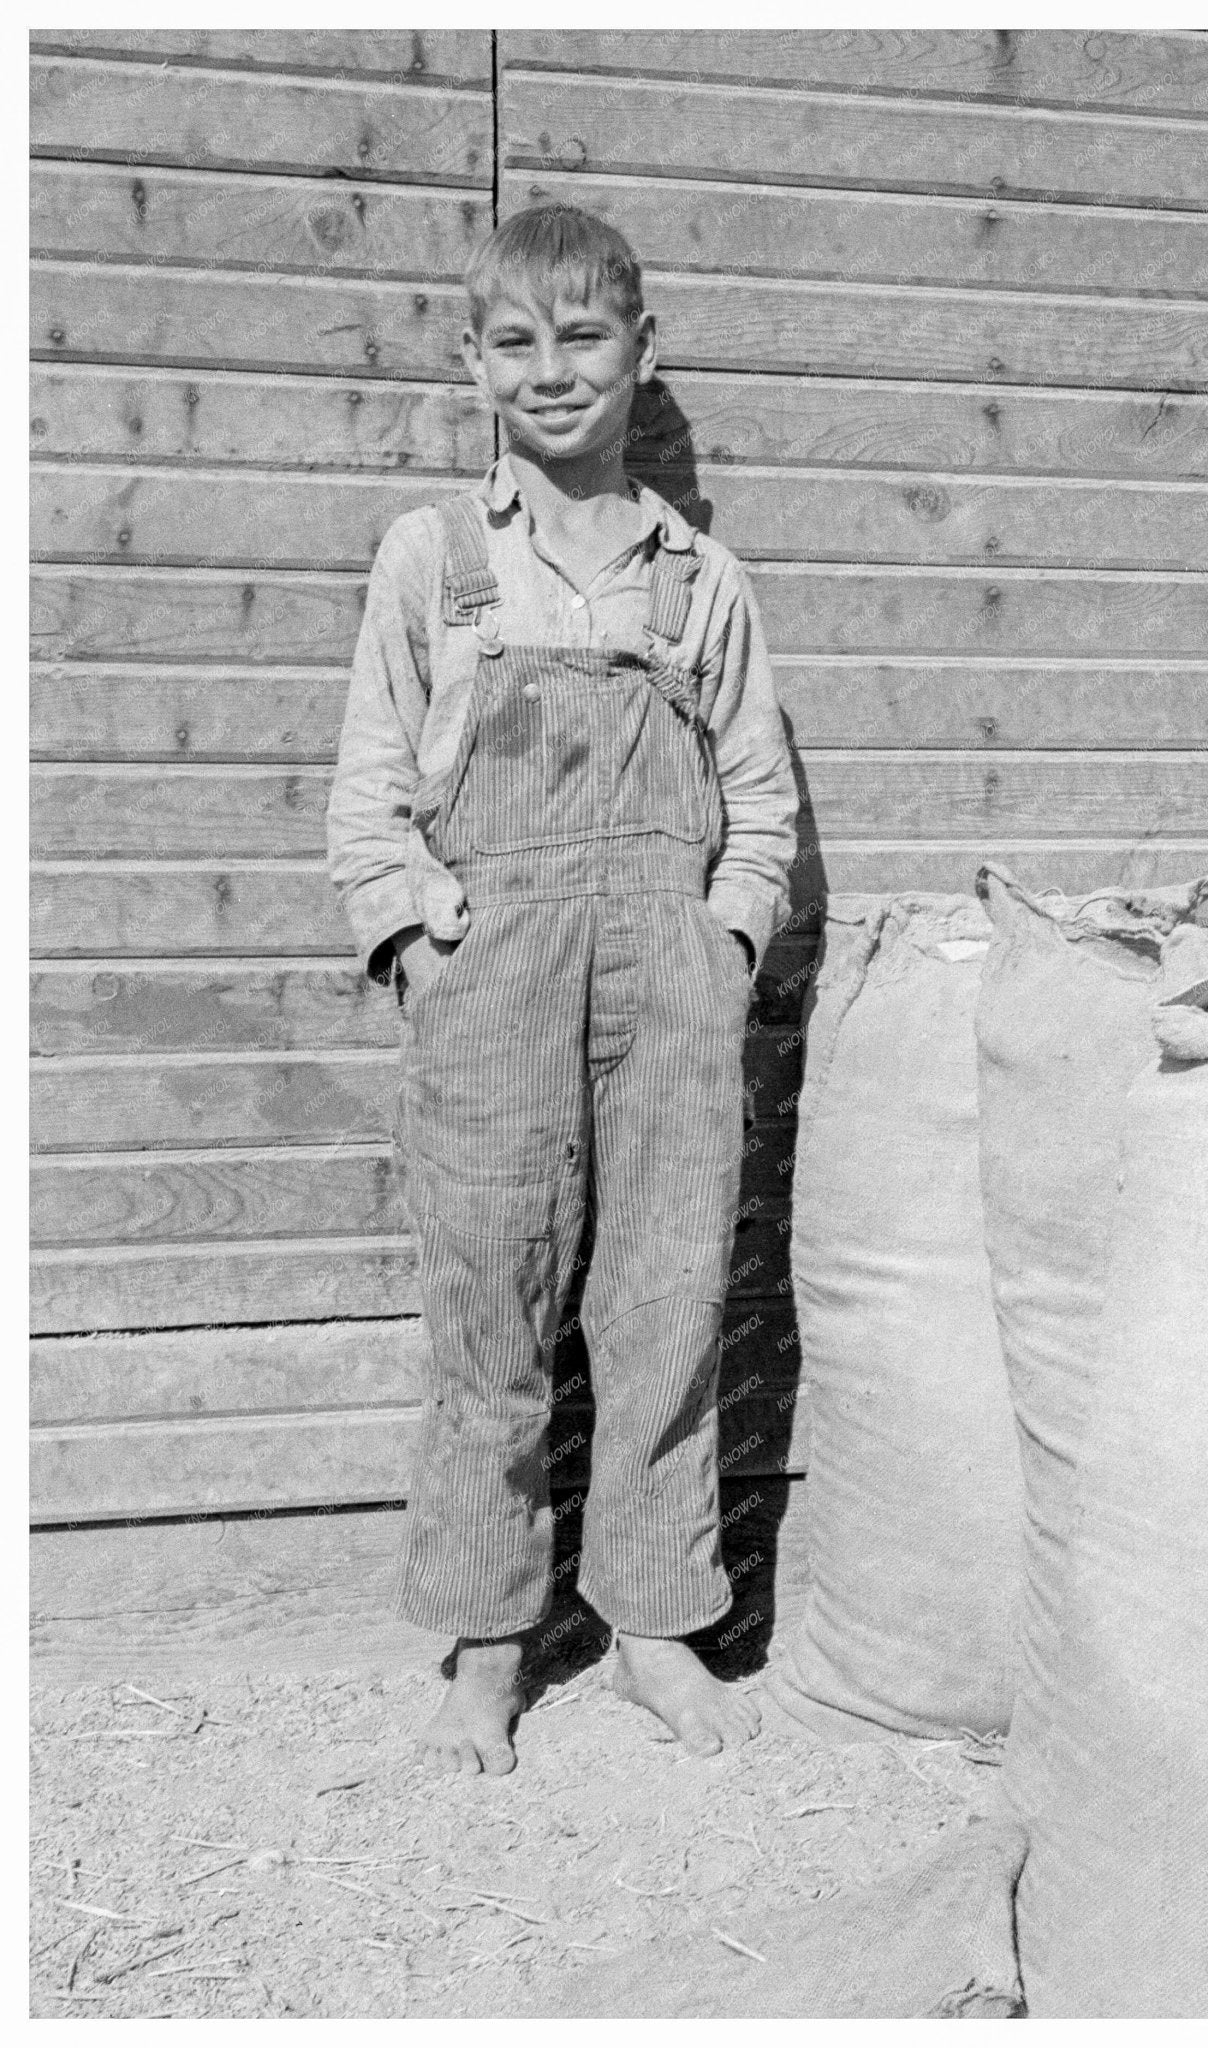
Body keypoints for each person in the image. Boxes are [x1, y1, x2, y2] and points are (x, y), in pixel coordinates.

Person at [325, 203, 798, 1775]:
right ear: (472, 364)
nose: (552, 372)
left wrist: (723, 944)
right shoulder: (437, 562)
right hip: (495, 985)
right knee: (493, 1312)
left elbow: (761, 801)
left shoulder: (701, 580)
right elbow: (368, 789)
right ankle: (487, 1646)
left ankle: (658, 1626)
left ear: (640, 353)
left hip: (664, 986)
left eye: (584, 337)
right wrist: (419, 941)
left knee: (665, 1298)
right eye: (515, 342)